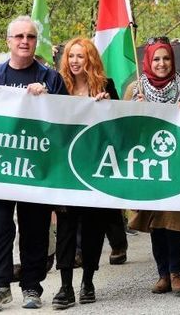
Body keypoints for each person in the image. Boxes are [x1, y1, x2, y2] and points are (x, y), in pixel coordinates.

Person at [0, 15, 68, 311]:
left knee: (35, 229)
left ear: (35, 42)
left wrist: (47, 99)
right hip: (1, 169)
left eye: (30, 37)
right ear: (8, 41)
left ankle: (32, 286)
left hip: (36, 169)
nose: (24, 42)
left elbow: (67, 120)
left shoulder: (50, 77)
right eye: (18, 37)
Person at [51, 37, 123, 309]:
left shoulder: (106, 86)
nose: (74, 61)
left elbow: (120, 129)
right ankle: (65, 286)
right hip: (66, 169)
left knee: (93, 227)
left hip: (96, 168)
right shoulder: (59, 88)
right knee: (66, 228)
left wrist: (108, 106)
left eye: (80, 56)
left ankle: (88, 281)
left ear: (90, 59)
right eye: (71, 56)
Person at [125, 37, 180, 297]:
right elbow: (123, 128)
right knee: (157, 221)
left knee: (176, 219)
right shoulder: (135, 89)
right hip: (148, 165)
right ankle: (163, 273)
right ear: (148, 61)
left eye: (166, 58)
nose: (162, 63)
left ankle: (177, 272)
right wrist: (136, 109)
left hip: (179, 165)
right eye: (156, 59)